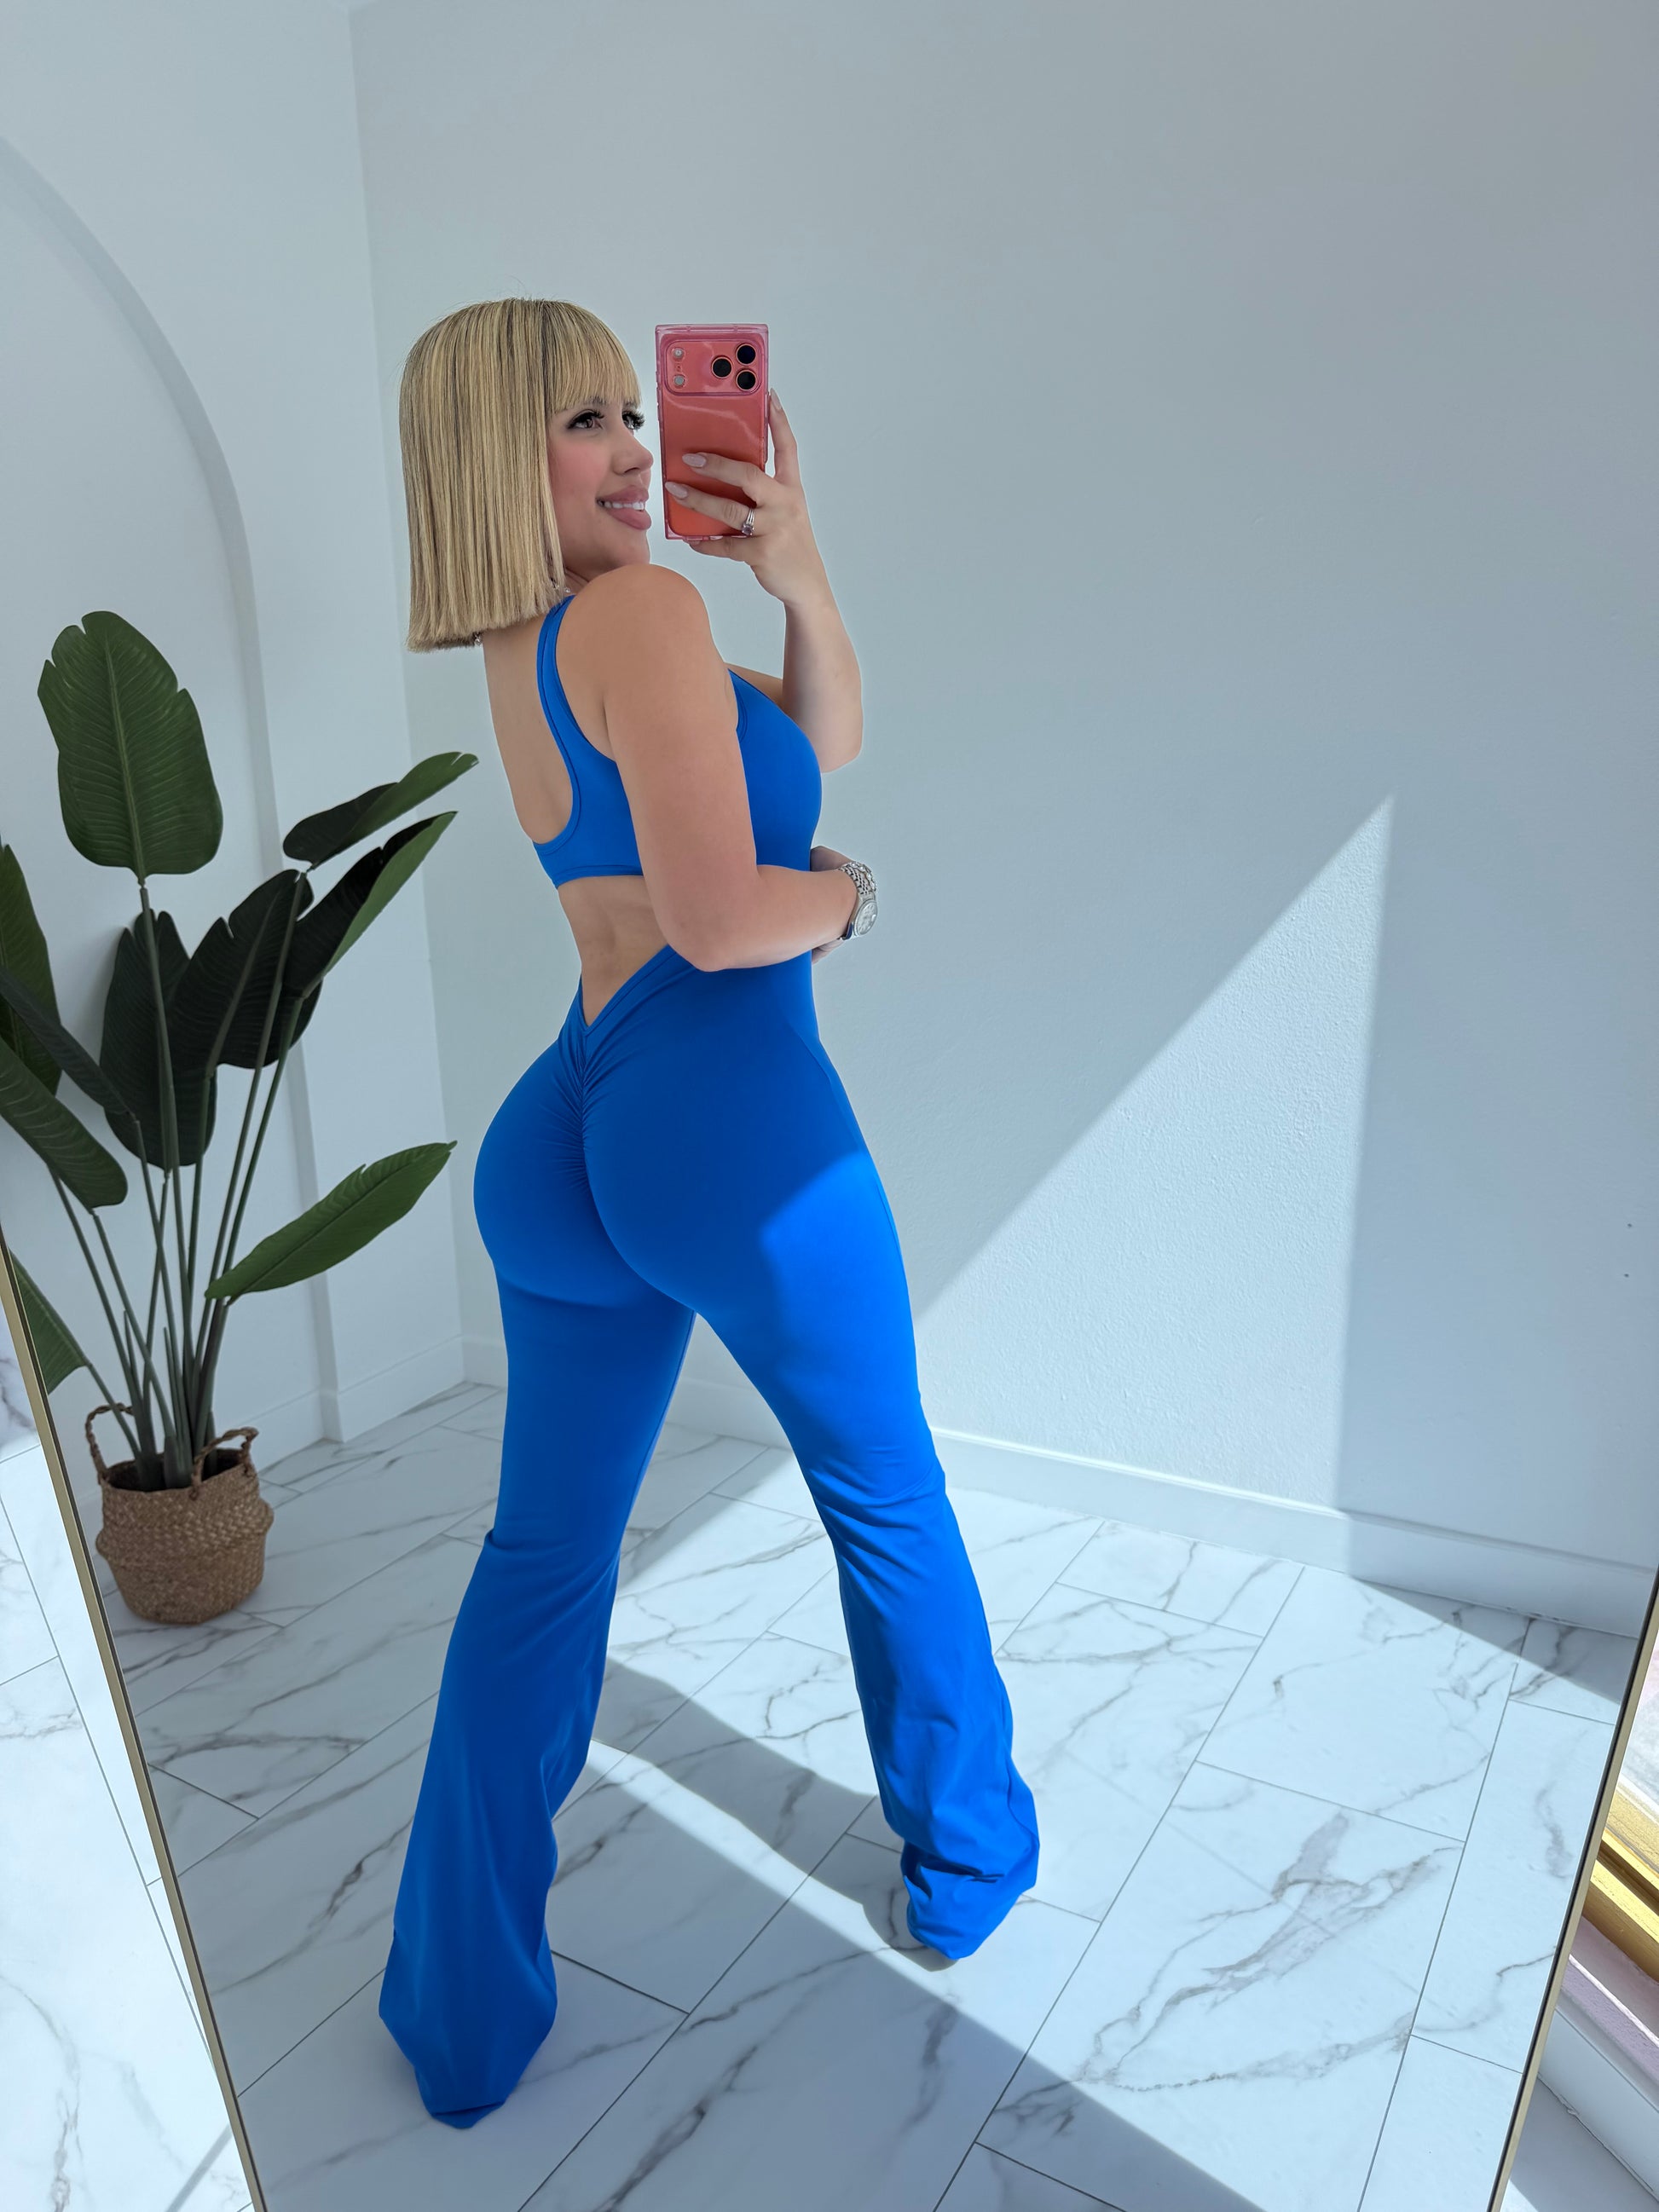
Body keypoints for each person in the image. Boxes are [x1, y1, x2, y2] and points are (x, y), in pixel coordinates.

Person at [377, 297, 1038, 2128]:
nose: (633, 444)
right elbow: (727, 912)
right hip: (724, 1119)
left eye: (627, 408)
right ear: (495, 455)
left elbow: (815, 726)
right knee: (882, 1487)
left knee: (538, 1558)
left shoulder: (536, 640)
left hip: (567, 1128)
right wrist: (851, 893)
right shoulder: (642, 616)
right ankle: (969, 1862)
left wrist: (799, 572)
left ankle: (458, 2016)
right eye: (583, 417)